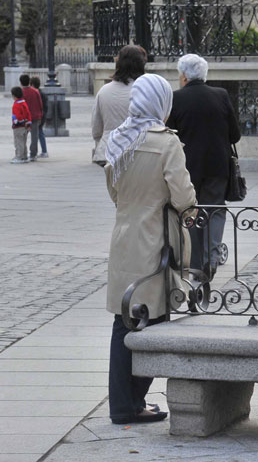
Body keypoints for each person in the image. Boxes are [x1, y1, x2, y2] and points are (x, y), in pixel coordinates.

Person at [105, 73, 196, 426]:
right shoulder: (166, 143)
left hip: (124, 235)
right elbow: (183, 196)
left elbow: (114, 191)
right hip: (155, 239)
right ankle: (135, 402)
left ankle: (121, 404)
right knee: (153, 320)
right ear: (162, 103)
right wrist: (188, 214)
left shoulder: (118, 138)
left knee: (123, 321)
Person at [166, 54, 242, 278]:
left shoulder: (176, 98)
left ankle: (196, 260)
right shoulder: (221, 95)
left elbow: (171, 135)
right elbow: (235, 135)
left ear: (184, 76)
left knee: (191, 210)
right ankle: (212, 256)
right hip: (218, 165)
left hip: (189, 167)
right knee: (216, 209)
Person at [92, 45, 147, 166]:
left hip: (109, 148)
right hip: (139, 149)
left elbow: (96, 128)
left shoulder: (103, 91)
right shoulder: (145, 91)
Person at [19, 75, 43, 162]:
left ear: (20, 82)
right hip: (35, 116)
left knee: (22, 136)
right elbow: (40, 104)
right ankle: (33, 154)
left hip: (25, 117)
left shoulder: (21, 92)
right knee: (34, 136)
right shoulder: (35, 91)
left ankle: (22, 153)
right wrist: (40, 115)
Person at [10, 87, 32, 163]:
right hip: (25, 125)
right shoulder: (24, 102)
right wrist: (28, 122)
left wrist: (20, 121)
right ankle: (24, 156)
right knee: (24, 142)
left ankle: (19, 156)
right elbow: (28, 113)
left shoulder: (16, 104)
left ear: (13, 95)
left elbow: (17, 115)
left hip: (18, 126)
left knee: (18, 142)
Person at [31, 76, 48, 158]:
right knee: (40, 132)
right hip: (42, 115)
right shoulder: (42, 94)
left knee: (37, 133)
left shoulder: (35, 93)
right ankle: (44, 150)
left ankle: (38, 151)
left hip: (37, 116)